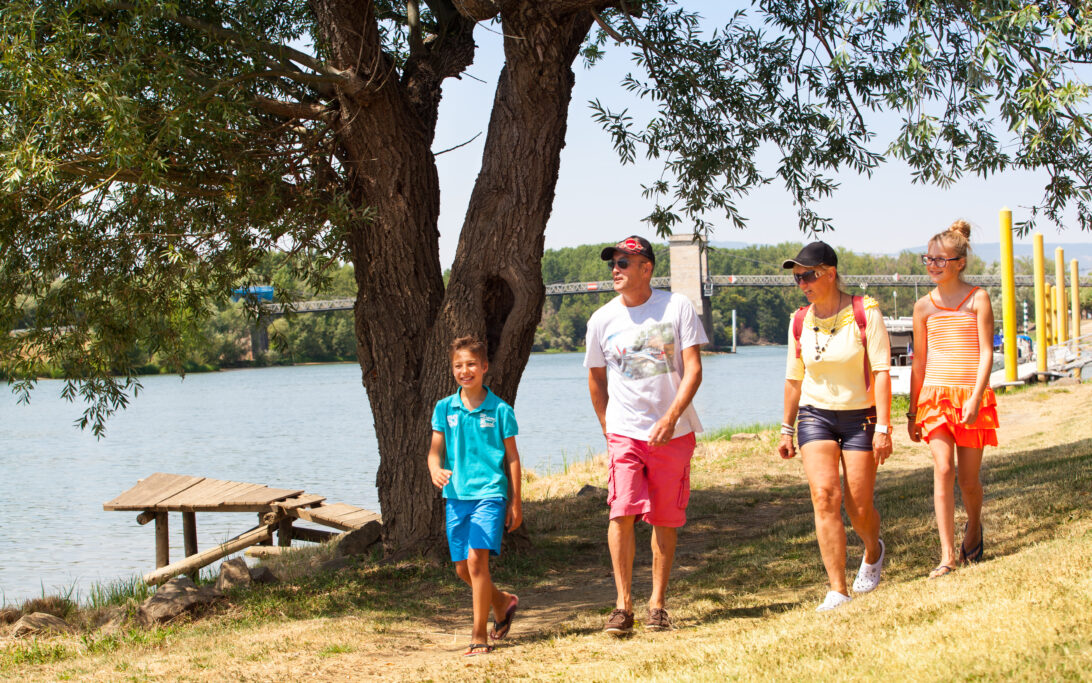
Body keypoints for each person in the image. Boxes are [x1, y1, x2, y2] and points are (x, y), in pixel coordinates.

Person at [585, 235, 707, 635]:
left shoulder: (676, 307)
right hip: (624, 432)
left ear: (647, 268)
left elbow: (693, 370)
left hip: (673, 432)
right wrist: (608, 427)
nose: (616, 270)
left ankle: (658, 604)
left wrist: (671, 418)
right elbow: (596, 378)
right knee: (620, 512)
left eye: (624, 262)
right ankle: (622, 606)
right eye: (613, 263)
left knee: (664, 519)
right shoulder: (601, 319)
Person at [777, 241, 893, 612]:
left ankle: (873, 550)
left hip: (860, 415)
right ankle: (837, 589)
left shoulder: (865, 312)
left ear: (830, 273)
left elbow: (882, 372)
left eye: (808, 275)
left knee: (858, 506)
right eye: (797, 278)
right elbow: (794, 379)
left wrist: (884, 427)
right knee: (824, 496)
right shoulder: (799, 321)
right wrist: (785, 427)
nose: (803, 283)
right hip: (816, 415)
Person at [907, 220, 998, 579]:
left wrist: (976, 396)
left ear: (959, 262)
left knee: (968, 481)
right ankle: (946, 555)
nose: (932, 266)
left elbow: (987, 353)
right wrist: (913, 411)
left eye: (940, 260)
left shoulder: (978, 298)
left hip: (971, 395)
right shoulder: (922, 307)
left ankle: (973, 526)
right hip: (935, 397)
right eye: (928, 259)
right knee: (943, 469)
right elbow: (919, 361)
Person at [428, 335, 523, 656]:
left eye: (471, 364)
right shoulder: (444, 408)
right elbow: (434, 452)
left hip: (490, 495)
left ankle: (479, 635)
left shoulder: (500, 410)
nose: (465, 370)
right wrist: (435, 470)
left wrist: (515, 501)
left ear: (484, 367)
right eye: (458, 365)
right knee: (462, 570)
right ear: (452, 369)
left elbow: (512, 458)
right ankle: (502, 602)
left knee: (477, 562)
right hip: (456, 497)